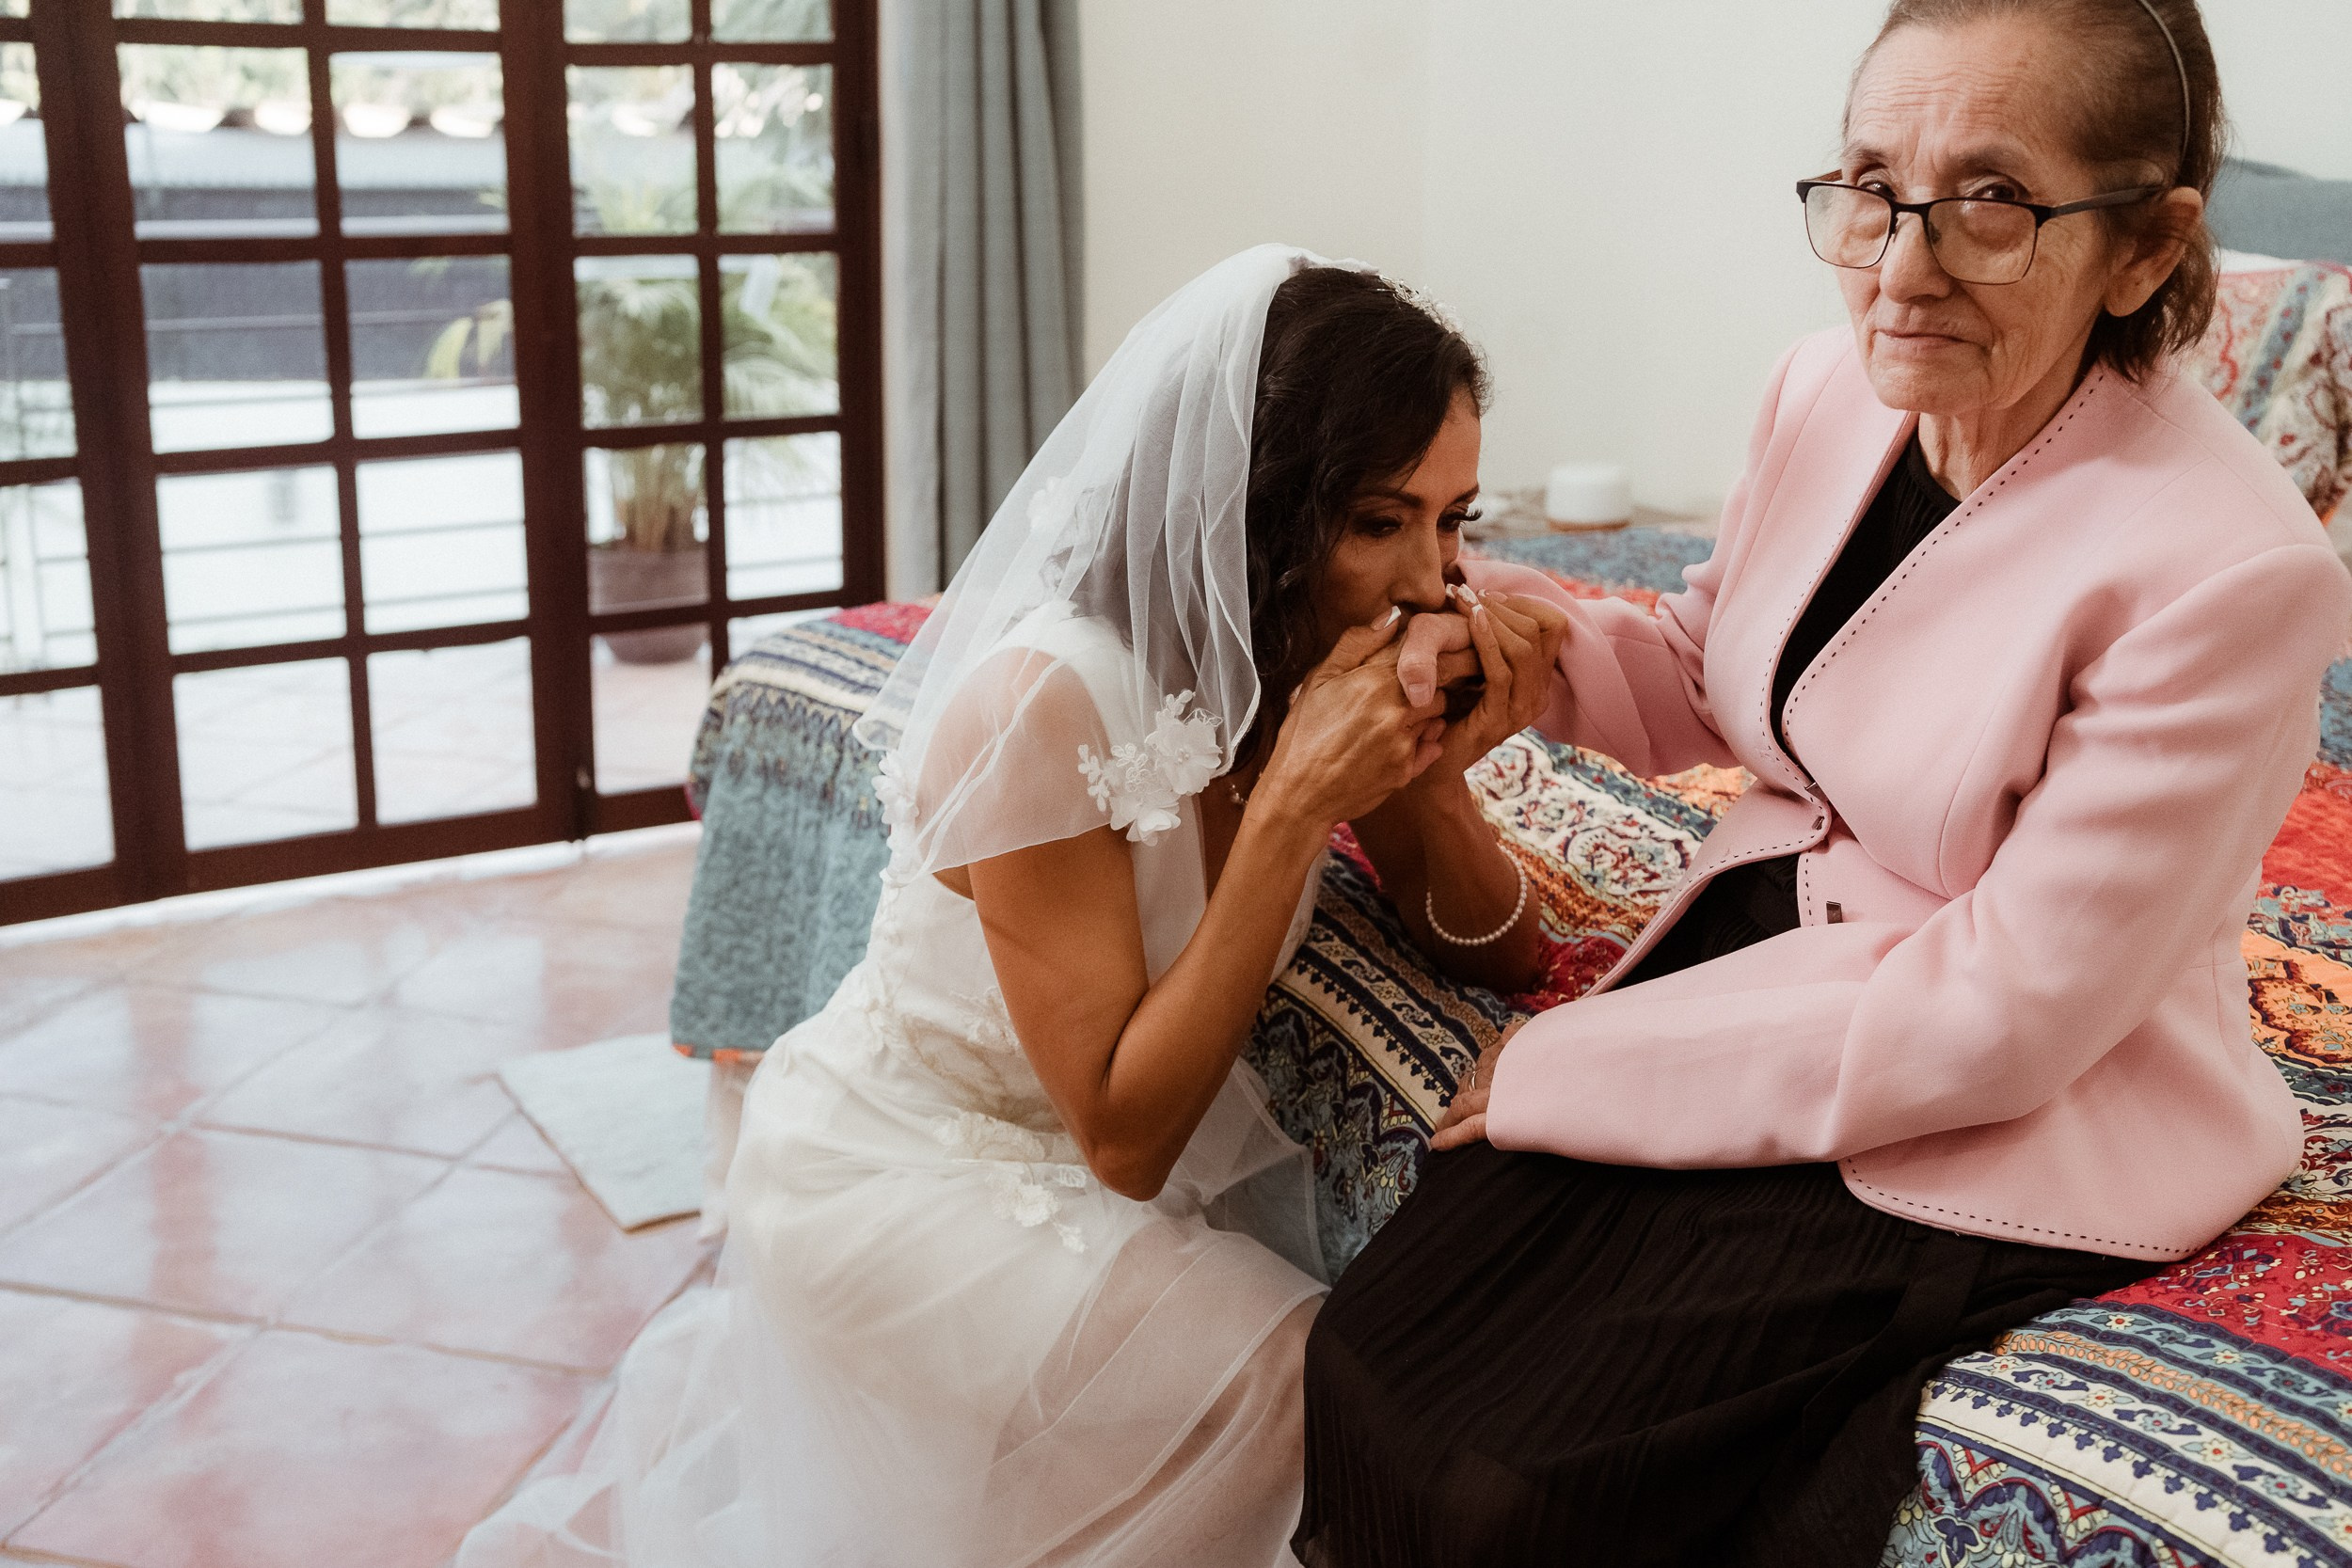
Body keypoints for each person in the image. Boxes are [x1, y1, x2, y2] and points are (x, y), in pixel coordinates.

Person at [1298, 3, 2352, 1564]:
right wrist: (1515, 647)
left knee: (1515, 1484)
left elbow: (2004, 1019)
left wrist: (1568, 1072)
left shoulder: (2233, 569)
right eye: (1868, 184)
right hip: (1770, 955)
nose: (1902, 269)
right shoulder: (1824, 388)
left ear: (2144, 249)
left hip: (1999, 1085)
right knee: (1374, 1356)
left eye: (1991, 202)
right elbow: (1721, 671)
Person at [456, 246, 1563, 1568]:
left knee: (1342, 1406)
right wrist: (1287, 815)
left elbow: (1507, 958)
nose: (1432, 580)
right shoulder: (1045, 701)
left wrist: (1437, 773)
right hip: (897, 1175)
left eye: (1456, 522)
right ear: (1259, 510)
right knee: (1296, 1393)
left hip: (1066, 1166)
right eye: (1381, 522)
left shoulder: (1316, 660)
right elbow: (1124, 1139)